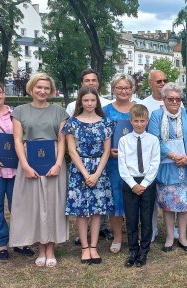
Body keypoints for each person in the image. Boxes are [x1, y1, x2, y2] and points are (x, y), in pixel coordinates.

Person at [9, 73, 69, 267]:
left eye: (46, 88)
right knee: (34, 205)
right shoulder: (19, 111)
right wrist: (25, 165)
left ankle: (50, 248)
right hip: (29, 159)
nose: (42, 91)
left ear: (51, 91)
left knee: (53, 205)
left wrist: (58, 164)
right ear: (32, 88)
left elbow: (62, 140)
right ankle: (40, 248)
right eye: (39, 87)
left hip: (53, 160)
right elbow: (17, 140)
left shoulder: (59, 112)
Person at [0, 80, 35, 260]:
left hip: (17, 169)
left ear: (4, 93)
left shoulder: (17, 114)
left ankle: (20, 241)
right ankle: (1, 243)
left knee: (19, 207)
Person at [61, 85, 114, 265]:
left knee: (97, 210)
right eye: (86, 100)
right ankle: (84, 247)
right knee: (82, 211)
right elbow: (72, 150)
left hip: (99, 168)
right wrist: (85, 173)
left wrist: (97, 173)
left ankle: (94, 246)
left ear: (97, 101)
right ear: (80, 102)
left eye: (93, 100)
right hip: (79, 169)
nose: (90, 103)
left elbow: (107, 151)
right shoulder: (73, 122)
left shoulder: (105, 122)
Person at [148, 82, 187, 253]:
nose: (174, 102)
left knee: (184, 204)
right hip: (167, 167)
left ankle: (183, 237)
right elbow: (155, 139)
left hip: (186, 168)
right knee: (168, 205)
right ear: (163, 99)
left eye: (178, 99)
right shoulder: (156, 116)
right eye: (170, 99)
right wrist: (174, 156)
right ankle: (170, 236)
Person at [139, 69, 181, 242]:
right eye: (158, 81)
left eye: (165, 80)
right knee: (149, 194)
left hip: (170, 159)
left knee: (172, 192)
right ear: (150, 83)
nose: (162, 83)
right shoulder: (143, 104)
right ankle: (153, 228)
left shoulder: (178, 103)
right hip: (147, 157)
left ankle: (174, 228)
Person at [119, 104, 161, 267]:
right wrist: (132, 184)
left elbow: (155, 163)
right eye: (136, 120)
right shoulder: (124, 141)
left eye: (142, 120)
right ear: (131, 121)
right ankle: (133, 250)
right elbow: (122, 165)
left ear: (147, 121)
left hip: (147, 182)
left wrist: (143, 184)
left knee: (146, 217)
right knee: (131, 218)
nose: (139, 124)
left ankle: (144, 250)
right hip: (130, 182)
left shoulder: (153, 140)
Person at [103, 73, 137, 253]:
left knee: (134, 197)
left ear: (132, 89)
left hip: (135, 164)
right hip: (113, 164)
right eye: (119, 87)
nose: (123, 91)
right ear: (114, 89)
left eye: (127, 88)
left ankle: (134, 234)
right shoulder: (105, 111)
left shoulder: (139, 109)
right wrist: (108, 151)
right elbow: (102, 137)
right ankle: (117, 236)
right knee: (115, 198)